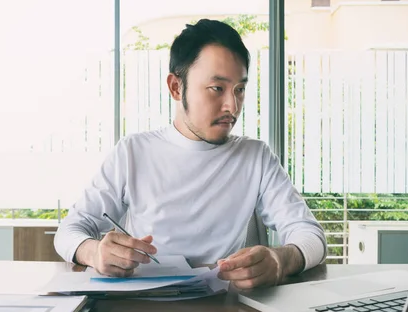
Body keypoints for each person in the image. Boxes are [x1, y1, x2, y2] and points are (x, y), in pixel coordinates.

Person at [55, 19, 326, 289]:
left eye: (239, 90)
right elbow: (69, 231)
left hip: (229, 311)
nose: (232, 105)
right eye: (216, 89)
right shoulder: (133, 152)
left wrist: (280, 260)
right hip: (146, 311)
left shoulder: (256, 157)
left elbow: (311, 235)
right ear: (175, 87)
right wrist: (94, 252)